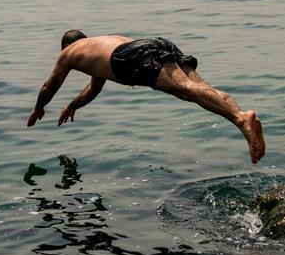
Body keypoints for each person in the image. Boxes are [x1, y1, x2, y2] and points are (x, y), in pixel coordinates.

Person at [27, 30, 265, 164]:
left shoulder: (69, 52)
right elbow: (94, 89)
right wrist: (72, 105)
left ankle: (241, 119)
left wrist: (39, 108)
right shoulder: (99, 43)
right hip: (155, 43)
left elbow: (50, 86)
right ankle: (244, 122)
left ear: (65, 46)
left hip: (129, 57)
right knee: (198, 90)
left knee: (188, 90)